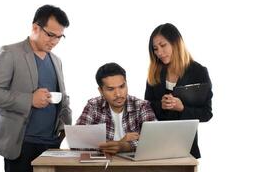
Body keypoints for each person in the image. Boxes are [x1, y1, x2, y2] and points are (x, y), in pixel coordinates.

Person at [0, 5, 72, 172]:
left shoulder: (56, 60)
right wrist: (29, 99)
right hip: (21, 144)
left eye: (60, 37)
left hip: (52, 143)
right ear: (35, 27)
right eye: (51, 35)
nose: (54, 42)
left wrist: (68, 128)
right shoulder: (10, 52)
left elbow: (64, 98)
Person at [144, 23, 213, 159]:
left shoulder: (198, 72)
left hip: (186, 148)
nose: (159, 52)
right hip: (156, 145)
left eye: (163, 45)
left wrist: (182, 108)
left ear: (176, 43)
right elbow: (145, 109)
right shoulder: (155, 72)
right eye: (155, 49)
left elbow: (206, 114)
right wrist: (161, 105)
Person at [77, 62, 156, 154]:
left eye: (122, 87)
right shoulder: (93, 106)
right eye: (111, 89)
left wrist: (126, 146)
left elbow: (154, 140)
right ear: (101, 91)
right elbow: (78, 143)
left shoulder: (141, 106)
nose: (118, 94)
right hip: (102, 166)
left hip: (132, 166)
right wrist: (120, 143)